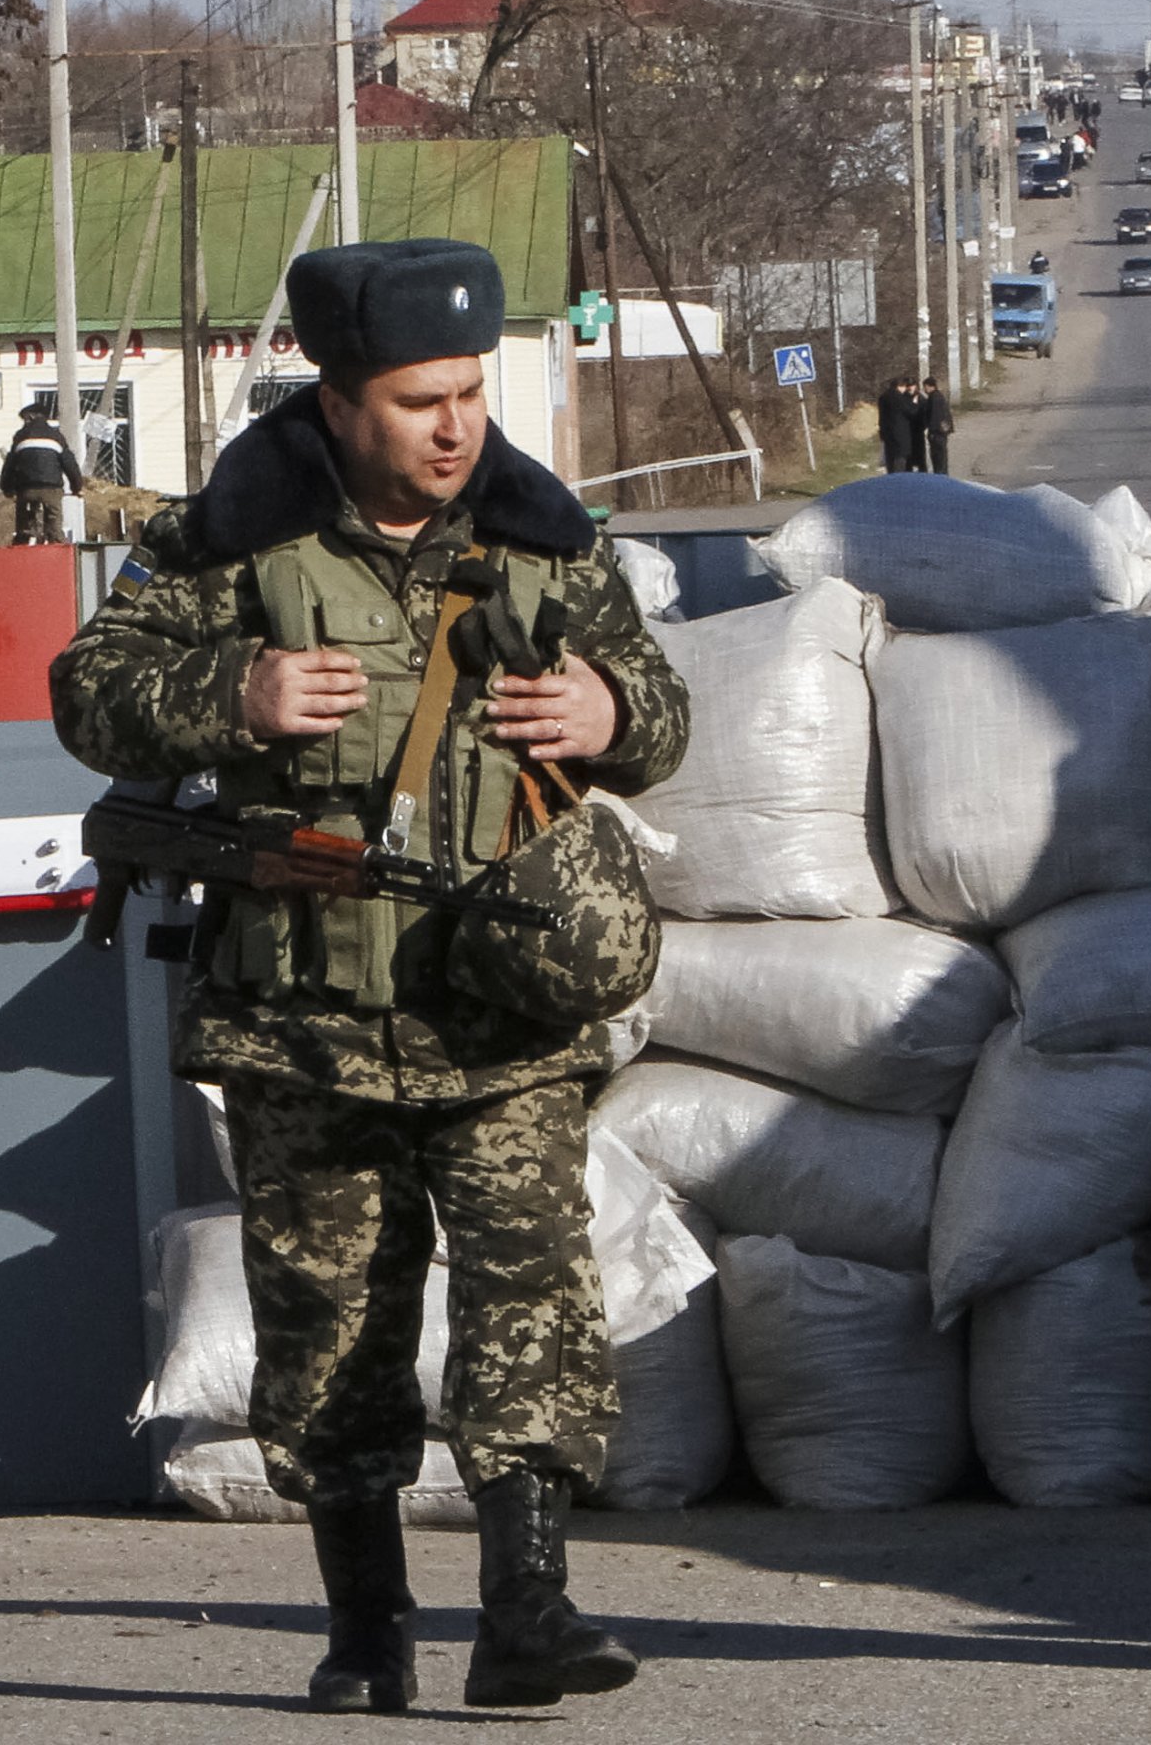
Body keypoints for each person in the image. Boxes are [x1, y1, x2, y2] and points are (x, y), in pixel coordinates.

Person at [49, 239, 690, 1715]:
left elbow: (657, 715)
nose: (457, 426)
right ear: (339, 404)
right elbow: (91, 693)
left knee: (536, 1300)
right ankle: (367, 1629)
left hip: (503, 1002)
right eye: (419, 401)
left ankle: (528, 1616)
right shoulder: (231, 542)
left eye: (470, 392)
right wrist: (236, 693)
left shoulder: (539, 535)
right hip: (307, 1014)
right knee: (332, 1325)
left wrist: (605, 707)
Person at [0, 401, 82, 544]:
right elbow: (70, 464)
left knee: (24, 524)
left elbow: (10, 465)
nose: (24, 423)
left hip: (26, 489)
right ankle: (56, 545)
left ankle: (23, 541)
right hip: (51, 489)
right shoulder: (56, 436)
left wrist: (7, 488)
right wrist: (77, 487)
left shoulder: (21, 436)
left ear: (31, 417)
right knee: (54, 523)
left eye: (25, 419)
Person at [877, 374, 919, 472]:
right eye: (904, 386)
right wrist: (914, 403)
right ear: (900, 386)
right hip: (900, 434)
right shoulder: (899, 398)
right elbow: (910, 412)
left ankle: (891, 477)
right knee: (900, 460)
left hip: (887, 433)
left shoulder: (883, 397)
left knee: (890, 459)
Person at [921, 376, 954, 475]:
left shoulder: (934, 398)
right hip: (942, 431)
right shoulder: (939, 396)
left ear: (930, 386)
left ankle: (940, 477)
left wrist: (931, 431)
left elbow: (935, 416)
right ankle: (942, 475)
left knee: (938, 457)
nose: (924, 389)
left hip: (937, 432)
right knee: (941, 457)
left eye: (925, 387)